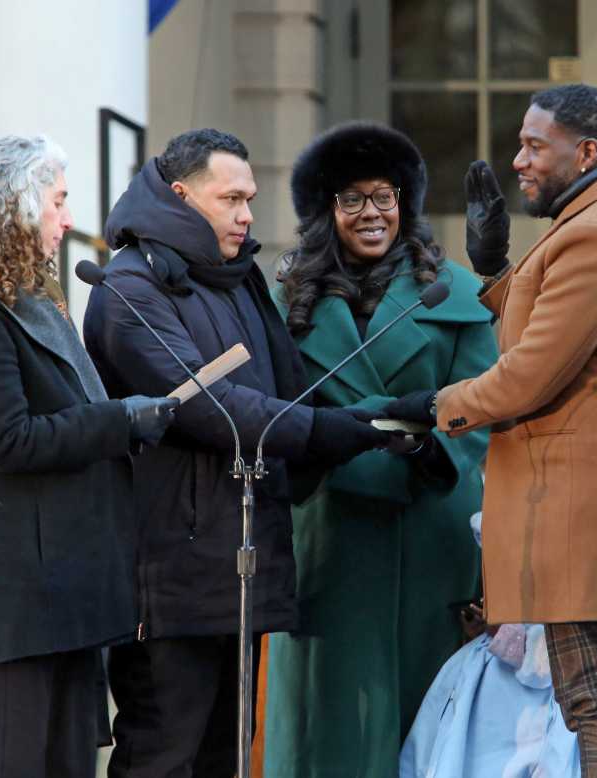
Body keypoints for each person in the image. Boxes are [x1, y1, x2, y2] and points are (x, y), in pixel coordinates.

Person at [383, 83, 597, 778]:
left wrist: (437, 405)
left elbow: (529, 375)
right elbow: (547, 335)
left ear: (588, 151)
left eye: (536, 146)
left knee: (593, 698)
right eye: (521, 144)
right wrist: (495, 271)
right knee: (591, 695)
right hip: (581, 504)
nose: (519, 161)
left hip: (579, 509)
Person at [83, 128, 390, 778]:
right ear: (180, 197)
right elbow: (209, 406)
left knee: (225, 758)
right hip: (171, 581)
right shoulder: (129, 290)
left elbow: (281, 389)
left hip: (242, 565)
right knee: (164, 758)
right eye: (231, 199)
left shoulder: (237, 278)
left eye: (249, 199)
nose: (248, 215)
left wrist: (358, 427)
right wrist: (329, 430)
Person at [0, 135, 179, 778]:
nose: (69, 220)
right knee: (13, 759)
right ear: (13, 208)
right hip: (15, 594)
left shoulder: (25, 300)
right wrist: (121, 420)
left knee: (65, 762)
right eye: (58, 202)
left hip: (62, 585)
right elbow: (10, 441)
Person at [263, 121, 498, 777]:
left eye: (384, 196)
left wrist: (433, 451)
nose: (372, 213)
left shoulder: (452, 292)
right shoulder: (286, 304)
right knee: (330, 728)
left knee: (428, 728)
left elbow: (484, 409)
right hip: (331, 539)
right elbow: (273, 415)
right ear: (325, 213)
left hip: (430, 536)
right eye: (352, 200)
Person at [400, 513, 581, 778]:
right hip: (481, 702)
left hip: (522, 718)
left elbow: (550, 667)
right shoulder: (472, 658)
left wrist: (502, 632)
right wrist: (482, 631)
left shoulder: (555, 612)